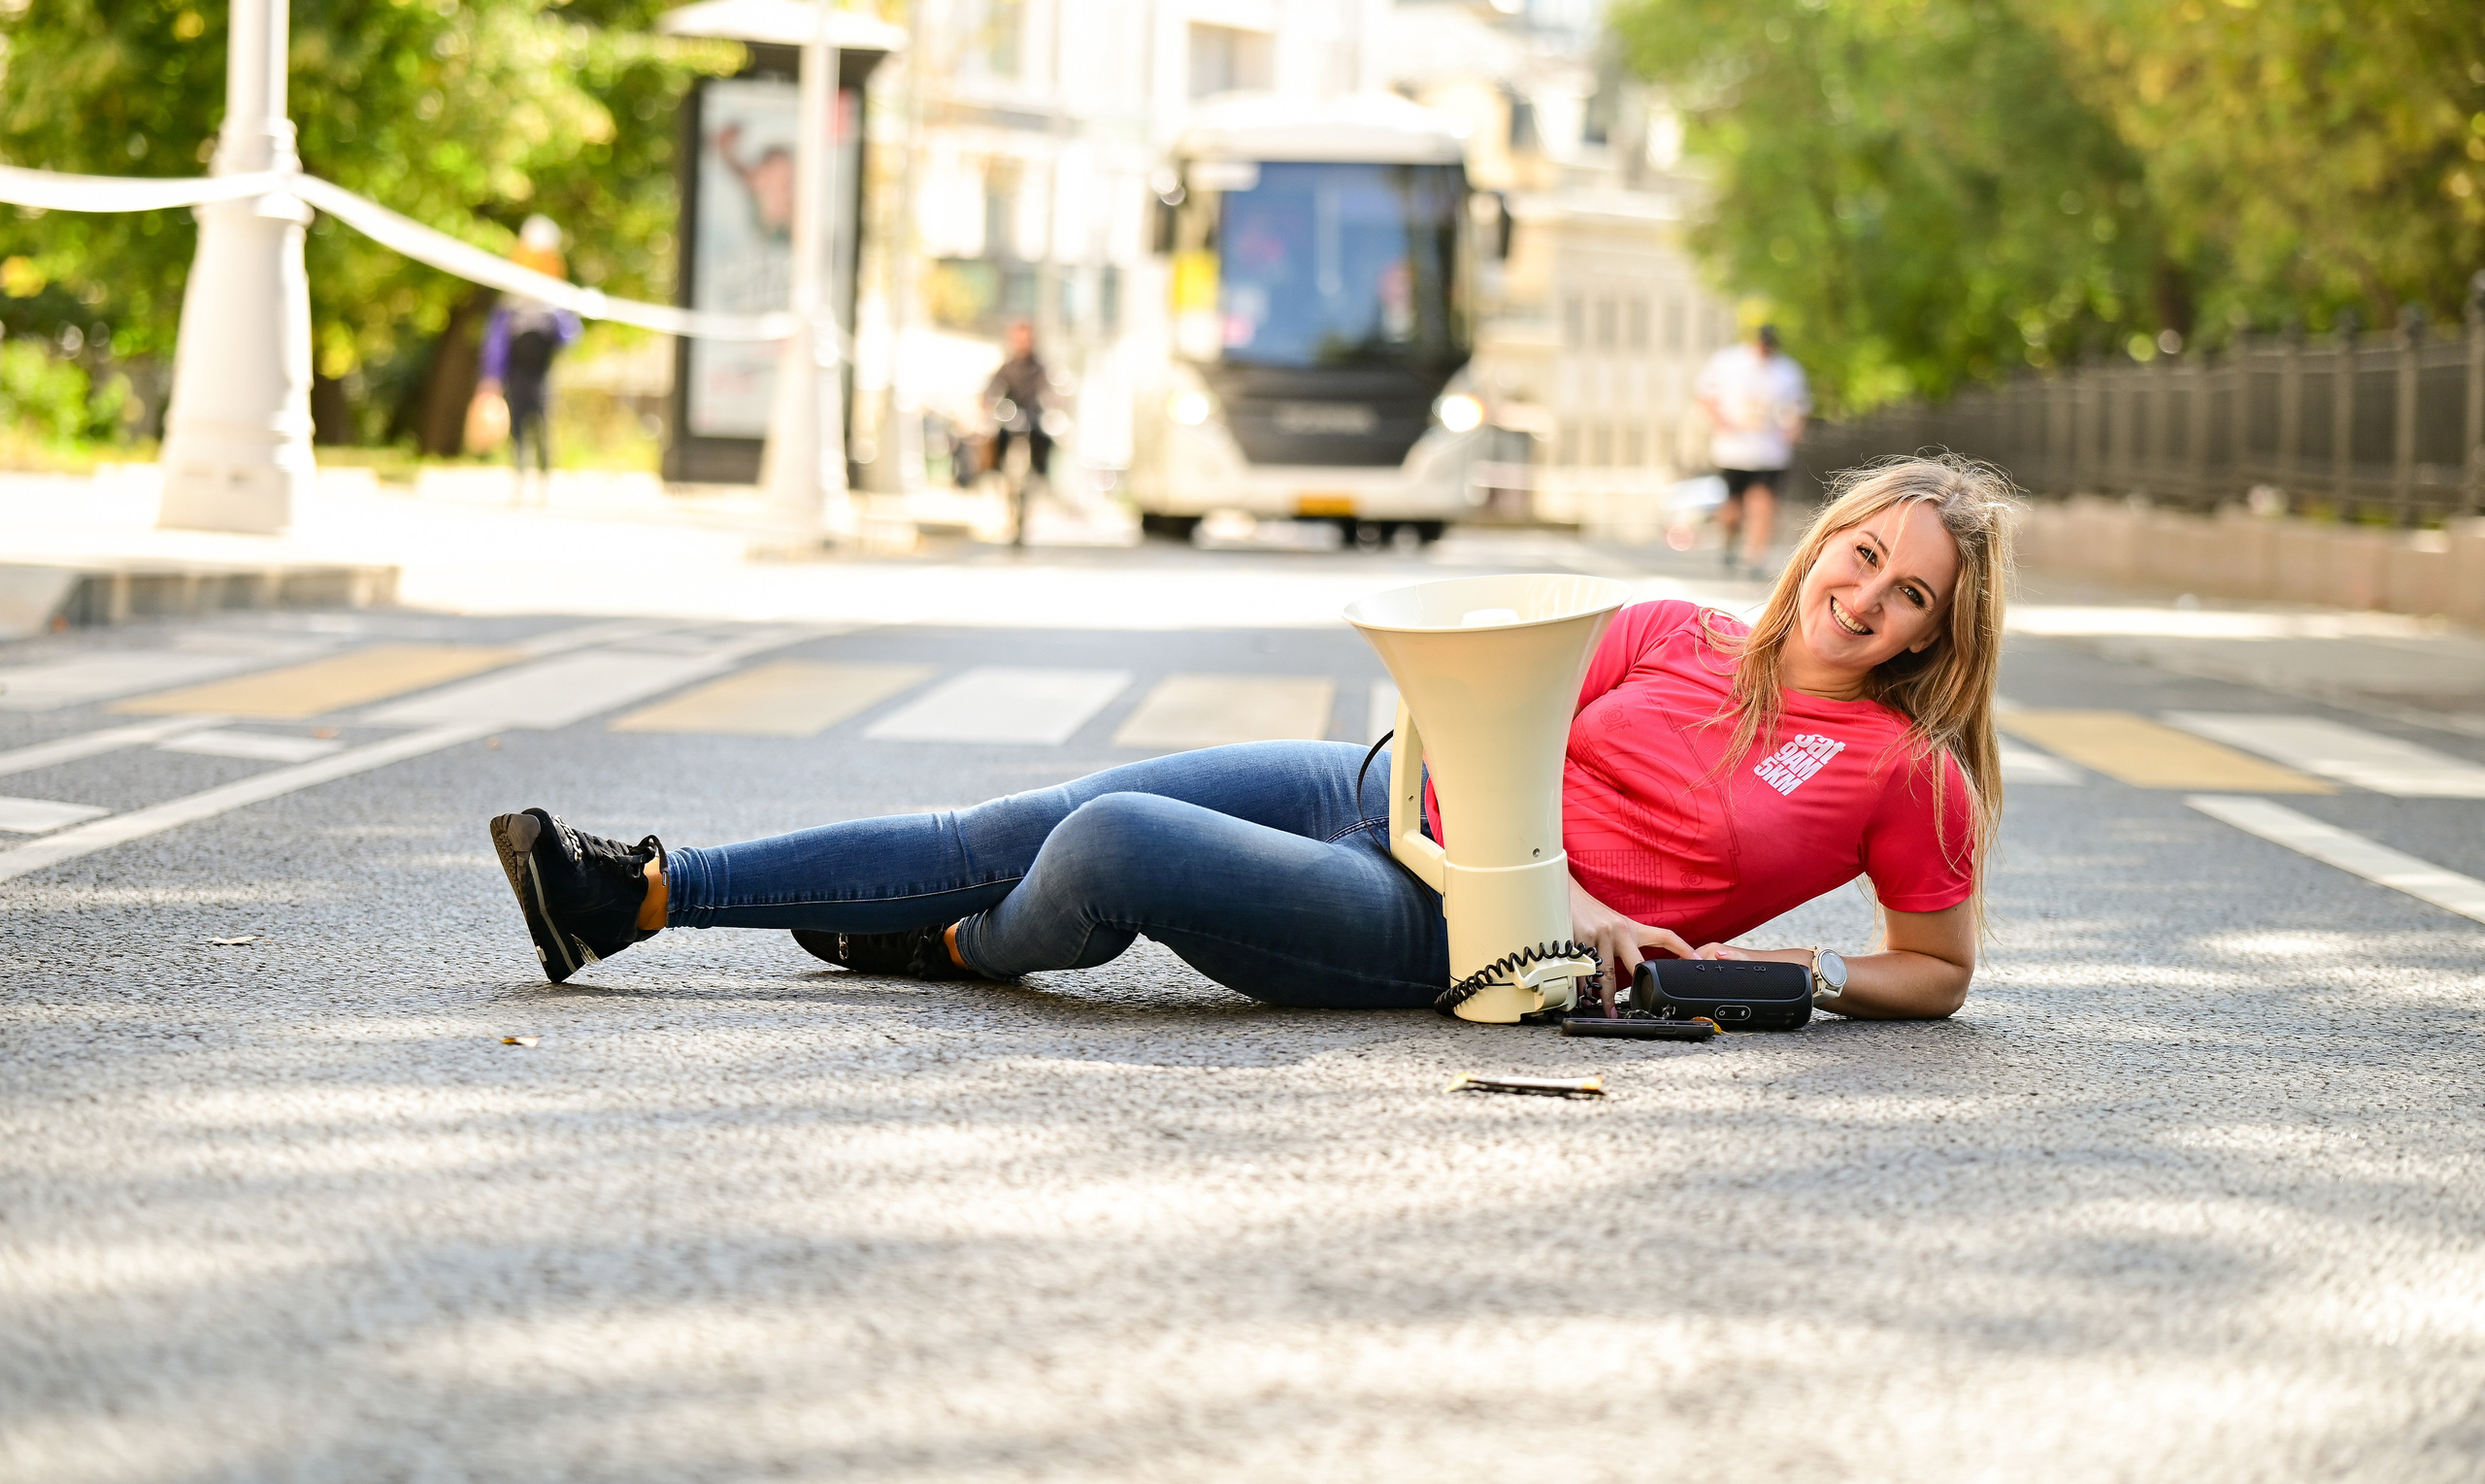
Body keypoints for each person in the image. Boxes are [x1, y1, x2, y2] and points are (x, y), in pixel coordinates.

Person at [488, 454, 2013, 1023]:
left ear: (1934, 636)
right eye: (1865, 552)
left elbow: (1937, 970)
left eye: (1911, 596)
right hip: (1373, 794)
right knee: (1013, 820)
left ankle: (962, 947)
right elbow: (1463, 714)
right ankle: (639, 895)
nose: (1867, 594)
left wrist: (1783, 972)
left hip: (1465, 929)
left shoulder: (1911, 777)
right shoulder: (1673, 627)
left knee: (1109, 846)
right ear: (1827, 537)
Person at [476, 215, 582, 499]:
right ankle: (520, 478)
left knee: (543, 427)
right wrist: (491, 377)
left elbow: (570, 337)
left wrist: (561, 313)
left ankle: (545, 479)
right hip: (517, 375)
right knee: (519, 428)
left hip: (542, 377)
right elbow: (496, 345)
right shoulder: (509, 307)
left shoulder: (555, 305)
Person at [1695, 322, 1810, 577]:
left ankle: (1755, 557)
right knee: (1732, 508)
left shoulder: (1787, 371)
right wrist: (1723, 422)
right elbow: (1705, 394)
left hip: (1770, 453)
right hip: (1734, 451)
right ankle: (1730, 540)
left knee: (1763, 503)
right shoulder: (1728, 362)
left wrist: (1792, 431)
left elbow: (1799, 407)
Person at [984, 319, 1058, 544]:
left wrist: (1052, 403)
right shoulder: (1007, 367)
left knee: (1045, 441)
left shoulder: (1040, 368)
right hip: (1010, 421)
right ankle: (996, 471)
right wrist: (988, 404)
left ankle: (1041, 472)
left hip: (1033, 421)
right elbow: (991, 390)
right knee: (995, 439)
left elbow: (1050, 391)